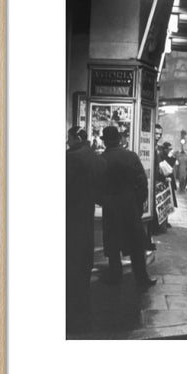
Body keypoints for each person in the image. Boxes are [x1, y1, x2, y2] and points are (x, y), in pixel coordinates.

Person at [100, 126, 157, 288]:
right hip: (129, 205)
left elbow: (97, 186)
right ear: (119, 140)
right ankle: (142, 278)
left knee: (113, 244)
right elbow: (142, 182)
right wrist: (137, 204)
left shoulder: (102, 159)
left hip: (111, 207)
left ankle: (114, 276)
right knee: (136, 245)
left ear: (105, 142)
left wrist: (105, 201)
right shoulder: (130, 156)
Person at [66, 127, 106, 332]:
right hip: (86, 211)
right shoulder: (93, 156)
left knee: (71, 253)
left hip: (71, 212)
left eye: (68, 138)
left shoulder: (71, 158)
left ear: (75, 138)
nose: (67, 142)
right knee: (82, 252)